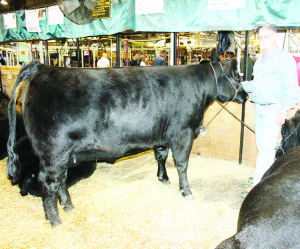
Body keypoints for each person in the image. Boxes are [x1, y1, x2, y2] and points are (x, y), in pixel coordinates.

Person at [242, 23, 299, 187]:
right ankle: (266, 178)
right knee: (262, 147)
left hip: (274, 109)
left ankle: (257, 187)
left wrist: (283, 111)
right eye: (260, 37)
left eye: (265, 36)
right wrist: (239, 85)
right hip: (259, 108)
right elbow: (255, 84)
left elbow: (292, 91)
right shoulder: (260, 59)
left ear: (274, 36)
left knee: (266, 149)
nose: (262, 40)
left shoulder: (284, 59)